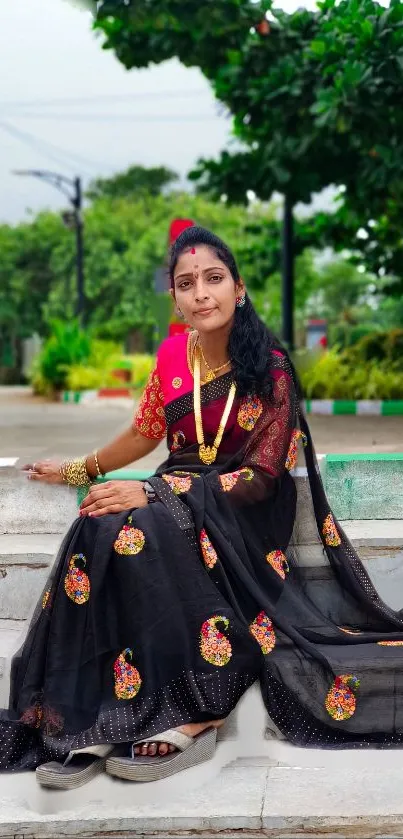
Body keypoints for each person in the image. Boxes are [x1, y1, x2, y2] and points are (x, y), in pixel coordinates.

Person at [1, 226, 403, 790]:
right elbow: (145, 434)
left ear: (238, 288)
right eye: (186, 284)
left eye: (213, 279)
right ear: (175, 298)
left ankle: (199, 710)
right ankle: (94, 709)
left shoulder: (270, 364)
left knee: (149, 524)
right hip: (179, 487)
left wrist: (158, 493)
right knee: (98, 523)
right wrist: (78, 470)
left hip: (245, 507)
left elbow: (264, 474)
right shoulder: (171, 355)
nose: (201, 293)